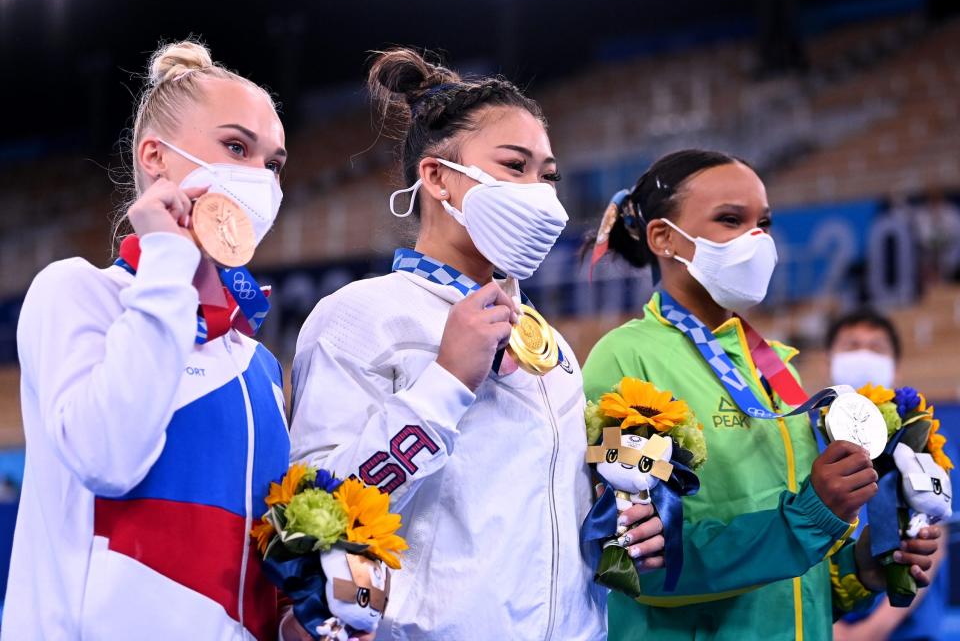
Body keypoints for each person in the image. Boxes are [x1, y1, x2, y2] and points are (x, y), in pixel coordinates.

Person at [287, 48, 664, 640]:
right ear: (436, 177)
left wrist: (633, 507)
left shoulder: (552, 345)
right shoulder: (362, 316)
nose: (540, 193)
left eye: (547, 174)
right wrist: (444, 385)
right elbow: (314, 511)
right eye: (515, 166)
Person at [581, 149, 941, 641]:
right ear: (663, 238)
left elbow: (790, 581)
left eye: (764, 223)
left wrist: (863, 569)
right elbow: (635, 560)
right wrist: (813, 516)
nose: (757, 240)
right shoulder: (623, 359)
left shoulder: (773, 367)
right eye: (731, 220)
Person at [2, 41, 291, 640]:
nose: (259, 178)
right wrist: (166, 257)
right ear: (156, 158)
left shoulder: (257, 362)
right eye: (237, 147)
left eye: (274, 163)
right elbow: (109, 456)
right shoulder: (78, 294)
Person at [827, 309, 951, 641]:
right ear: (831, 358)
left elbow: (933, 541)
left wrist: (872, 631)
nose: (863, 354)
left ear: (894, 364)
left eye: (876, 347)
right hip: (821, 626)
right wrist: (832, 629)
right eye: (852, 345)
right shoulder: (802, 437)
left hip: (907, 632)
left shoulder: (921, 436)